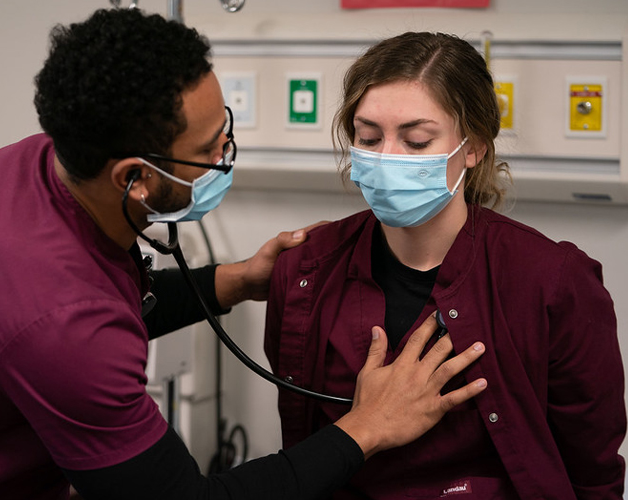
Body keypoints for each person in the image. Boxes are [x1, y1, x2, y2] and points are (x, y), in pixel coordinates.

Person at [0, 11, 489, 499]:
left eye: (224, 127)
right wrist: (365, 429)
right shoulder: (58, 321)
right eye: (208, 149)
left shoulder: (27, 164)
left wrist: (233, 281)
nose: (226, 153)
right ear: (135, 179)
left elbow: (104, 301)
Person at [264, 31, 626, 499]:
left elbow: (593, 473)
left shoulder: (551, 283)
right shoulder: (306, 271)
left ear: (472, 146)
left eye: (416, 141)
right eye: (368, 137)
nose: (386, 158)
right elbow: (303, 446)